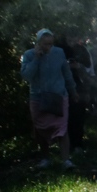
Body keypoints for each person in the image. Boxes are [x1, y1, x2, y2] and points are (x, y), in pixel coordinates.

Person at [20, 29, 77, 169]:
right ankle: (45, 158)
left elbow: (66, 72)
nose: (48, 47)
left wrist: (73, 90)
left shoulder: (59, 52)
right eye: (45, 44)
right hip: (38, 97)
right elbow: (26, 75)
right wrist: (36, 59)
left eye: (51, 44)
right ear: (38, 43)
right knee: (40, 129)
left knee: (62, 128)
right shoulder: (29, 55)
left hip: (58, 95)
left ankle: (66, 160)